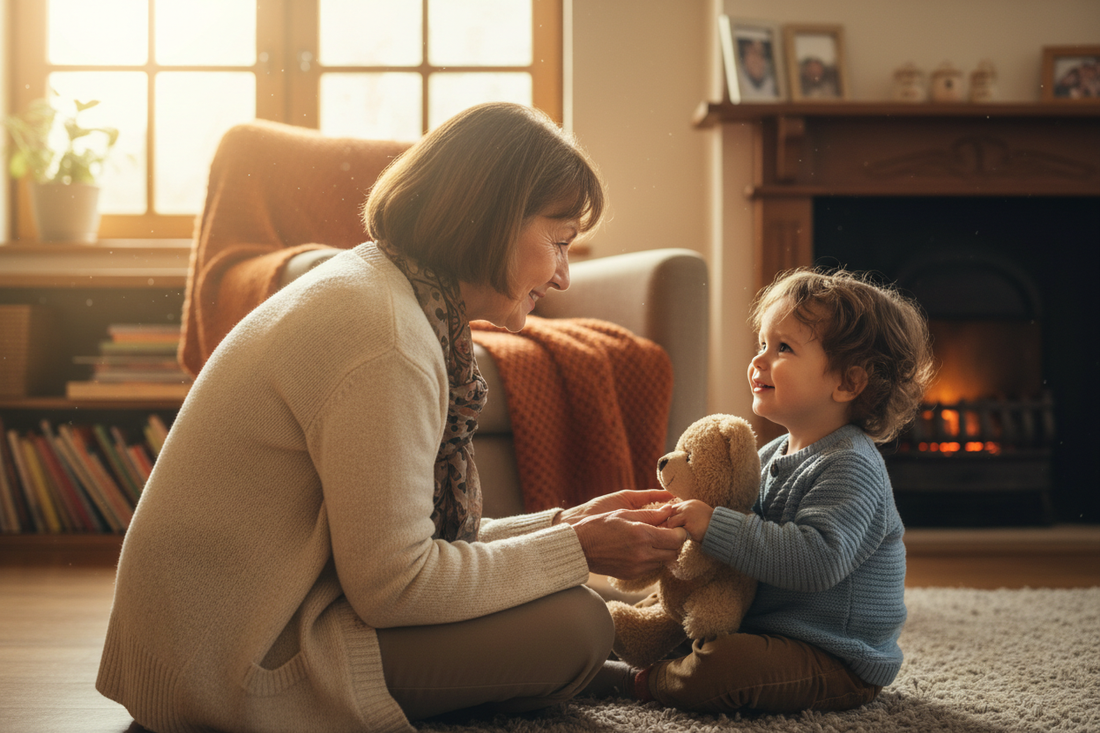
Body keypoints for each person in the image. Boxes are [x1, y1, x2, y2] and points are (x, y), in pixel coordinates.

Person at [96, 103, 688, 732]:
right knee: (579, 624)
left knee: (567, 597)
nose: (566, 275)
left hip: (227, 634)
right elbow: (397, 586)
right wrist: (576, 547)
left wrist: (566, 525)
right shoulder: (389, 340)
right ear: (492, 218)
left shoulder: (385, 292)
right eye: (560, 242)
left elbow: (399, 547)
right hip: (234, 665)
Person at [587, 267, 934, 714]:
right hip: (763, 626)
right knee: (671, 604)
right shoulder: (772, 453)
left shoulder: (852, 466)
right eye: (762, 344)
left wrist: (716, 526)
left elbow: (815, 561)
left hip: (830, 656)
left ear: (848, 382)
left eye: (783, 348)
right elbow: (733, 512)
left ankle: (639, 680)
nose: (759, 361)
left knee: (723, 668)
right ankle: (602, 635)